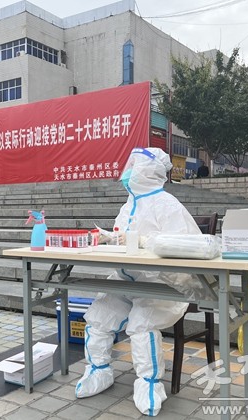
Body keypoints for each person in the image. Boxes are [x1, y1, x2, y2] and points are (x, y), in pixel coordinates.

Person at [75, 147, 203, 417]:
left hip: (162, 285)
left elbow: (186, 245)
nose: (128, 170)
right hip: (126, 280)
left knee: (141, 325)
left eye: (134, 165)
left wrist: (144, 241)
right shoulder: (128, 205)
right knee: (99, 316)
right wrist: (110, 238)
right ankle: (98, 371)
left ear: (149, 170)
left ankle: (149, 384)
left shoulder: (167, 205)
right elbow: (123, 237)